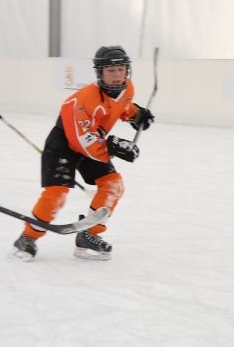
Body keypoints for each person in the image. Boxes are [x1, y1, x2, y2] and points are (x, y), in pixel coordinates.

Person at [12, 45, 152, 262]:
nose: (117, 76)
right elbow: (82, 141)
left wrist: (136, 114)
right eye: (110, 71)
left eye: (121, 70)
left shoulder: (128, 88)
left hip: (94, 141)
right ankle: (27, 237)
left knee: (114, 185)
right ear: (100, 73)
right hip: (64, 144)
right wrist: (113, 145)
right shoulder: (80, 101)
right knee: (57, 194)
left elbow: (122, 106)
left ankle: (88, 234)